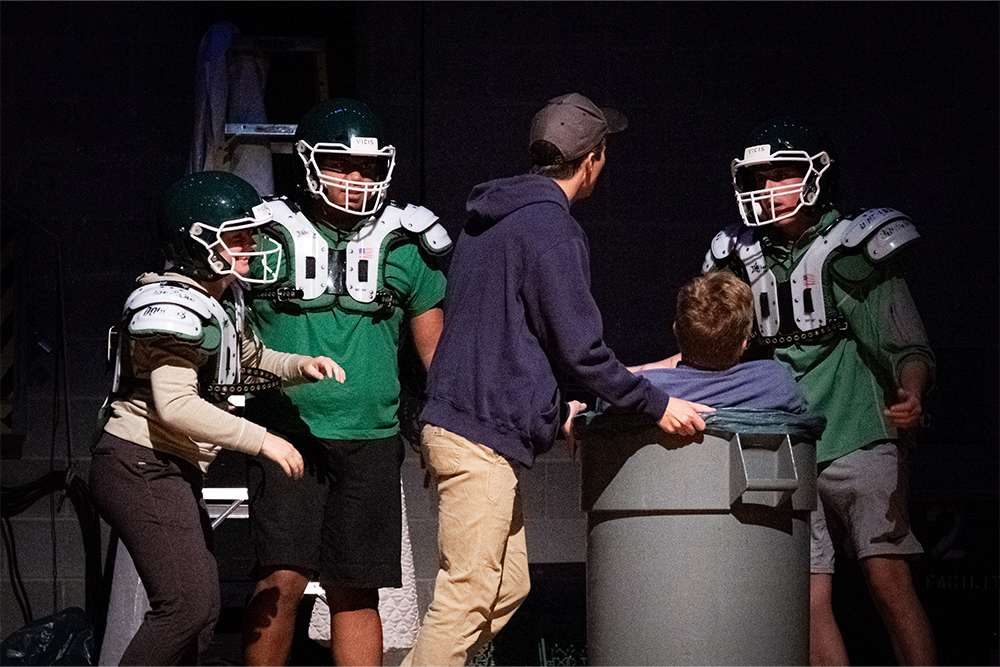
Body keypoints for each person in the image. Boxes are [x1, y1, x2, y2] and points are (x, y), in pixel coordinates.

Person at [404, 93, 713, 667]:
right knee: (466, 598)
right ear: (591, 160)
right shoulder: (552, 229)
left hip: (467, 424)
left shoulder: (488, 222)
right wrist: (656, 404)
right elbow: (580, 350)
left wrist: (554, 409)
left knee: (508, 586)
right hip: (477, 439)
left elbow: (511, 339)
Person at [703, 117, 937, 666]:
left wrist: (912, 392)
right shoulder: (742, 257)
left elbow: (906, 344)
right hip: (790, 443)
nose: (766, 188)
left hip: (861, 436)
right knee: (806, 595)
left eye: (779, 175)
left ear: (814, 176)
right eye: (758, 177)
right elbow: (717, 346)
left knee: (887, 580)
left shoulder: (852, 248)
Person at [89, 171, 345, 666]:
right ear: (197, 241)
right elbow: (176, 405)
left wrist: (300, 366)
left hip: (164, 467)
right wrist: (264, 439)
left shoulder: (217, 299)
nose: (251, 246)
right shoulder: (170, 304)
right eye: (238, 236)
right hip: (140, 464)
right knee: (185, 608)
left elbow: (248, 359)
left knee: (200, 615)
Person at [239, 98, 449, 667]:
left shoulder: (407, 245)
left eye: (367, 168)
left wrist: (448, 431)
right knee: (281, 577)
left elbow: (437, 357)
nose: (355, 179)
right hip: (286, 434)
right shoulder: (261, 235)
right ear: (309, 162)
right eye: (341, 165)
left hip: (371, 437)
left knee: (355, 587)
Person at [628, 269, 806, 413]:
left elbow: (616, 388)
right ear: (744, 343)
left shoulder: (643, 392)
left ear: (675, 330)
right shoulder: (778, 383)